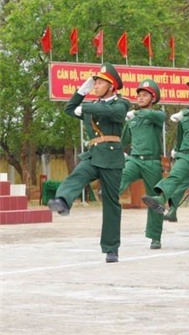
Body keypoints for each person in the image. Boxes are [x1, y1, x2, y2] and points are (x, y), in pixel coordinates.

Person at [48, 62, 130, 263]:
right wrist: (81, 92)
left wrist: (85, 106)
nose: (96, 85)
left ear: (111, 87)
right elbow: (69, 109)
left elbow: (115, 114)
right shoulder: (92, 104)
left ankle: (111, 248)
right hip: (94, 155)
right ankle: (63, 201)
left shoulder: (121, 103)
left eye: (100, 82)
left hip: (111, 157)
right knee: (78, 174)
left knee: (111, 203)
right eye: (96, 82)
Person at [142, 70, 189, 249]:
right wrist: (177, 149)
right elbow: (181, 135)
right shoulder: (186, 113)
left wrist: (187, 113)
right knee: (175, 176)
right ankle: (161, 198)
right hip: (186, 155)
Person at [119, 79, 165, 249]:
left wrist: (135, 114)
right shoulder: (132, 119)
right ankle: (110, 194)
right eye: (139, 95)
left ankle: (155, 237)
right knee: (121, 174)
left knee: (154, 200)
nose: (140, 97)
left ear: (153, 98)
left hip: (152, 162)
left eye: (145, 95)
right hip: (135, 159)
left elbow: (155, 116)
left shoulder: (156, 115)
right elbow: (123, 140)